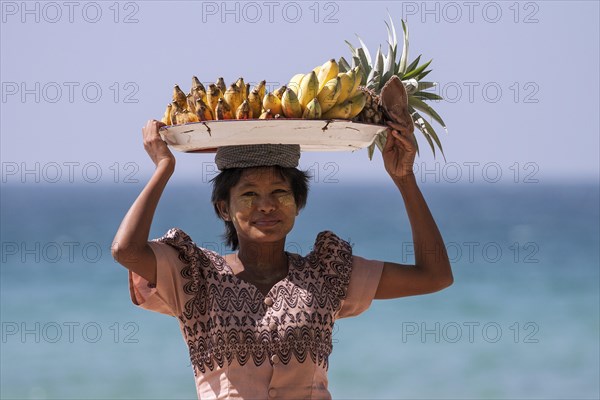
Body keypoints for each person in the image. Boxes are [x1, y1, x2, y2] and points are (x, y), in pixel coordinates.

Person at [112, 96, 453, 399]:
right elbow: (125, 250)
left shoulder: (326, 274)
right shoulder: (195, 276)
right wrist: (164, 167)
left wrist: (404, 178)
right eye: (248, 195)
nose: (266, 206)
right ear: (223, 208)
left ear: (298, 203)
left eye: (279, 193)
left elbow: (434, 275)